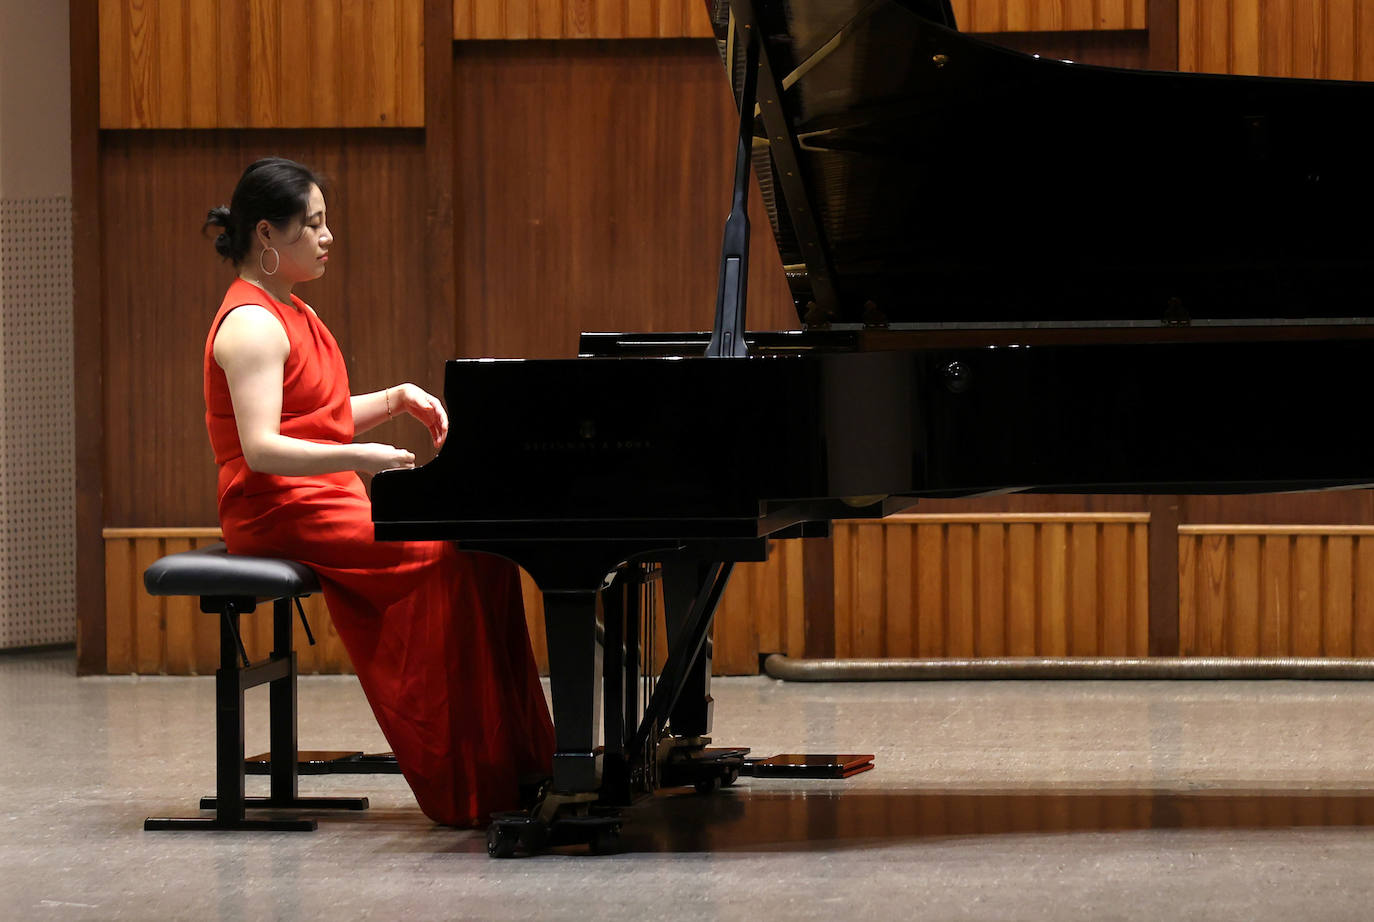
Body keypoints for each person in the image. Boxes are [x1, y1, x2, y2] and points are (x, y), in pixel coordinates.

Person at [202, 157, 555, 826]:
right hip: (275, 507)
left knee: (481, 550)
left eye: (325, 222)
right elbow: (262, 448)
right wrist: (359, 456)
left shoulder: (290, 310)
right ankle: (470, 776)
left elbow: (315, 417)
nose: (327, 236)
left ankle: (517, 761)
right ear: (266, 234)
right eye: (312, 224)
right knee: (443, 556)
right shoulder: (250, 325)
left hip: (319, 496)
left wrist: (396, 398)